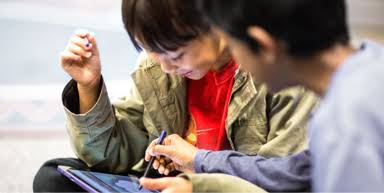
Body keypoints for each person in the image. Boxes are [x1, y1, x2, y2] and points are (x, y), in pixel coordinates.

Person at [32, 0, 318, 192]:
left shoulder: (277, 71)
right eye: (150, 50)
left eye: (176, 54)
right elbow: (112, 156)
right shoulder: (159, 65)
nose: (165, 66)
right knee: (54, 177)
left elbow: (284, 181)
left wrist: (197, 168)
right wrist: (89, 85)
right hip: (172, 186)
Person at [140, 0, 384, 192]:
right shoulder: (370, 65)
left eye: (233, 46)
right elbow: (294, 174)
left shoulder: (344, 124)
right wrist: (201, 170)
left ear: (264, 46)